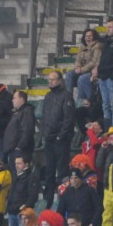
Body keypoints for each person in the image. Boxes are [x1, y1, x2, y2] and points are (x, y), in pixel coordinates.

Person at [41, 70, 76, 204]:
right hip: (49, 139)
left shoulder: (66, 96)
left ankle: (63, 199)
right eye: (49, 79)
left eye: (54, 79)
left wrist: (60, 137)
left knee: (62, 172)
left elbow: (68, 119)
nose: (51, 82)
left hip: (61, 140)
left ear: (60, 80)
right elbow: (44, 117)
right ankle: (47, 201)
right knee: (49, 172)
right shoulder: (48, 97)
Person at [65, 29, 103, 101]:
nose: (87, 38)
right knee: (69, 74)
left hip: (92, 72)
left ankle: (82, 101)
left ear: (94, 37)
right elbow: (78, 59)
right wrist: (77, 66)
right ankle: (68, 100)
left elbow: (94, 62)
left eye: (90, 36)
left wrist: (81, 70)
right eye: (86, 36)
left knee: (82, 78)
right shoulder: (82, 46)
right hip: (82, 70)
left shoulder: (98, 46)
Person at [2, 90, 36, 165]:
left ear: (22, 99)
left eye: (14, 98)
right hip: (14, 149)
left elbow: (27, 130)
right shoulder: (18, 112)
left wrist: (20, 146)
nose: (12, 100)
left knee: (18, 173)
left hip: (20, 151)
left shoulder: (26, 111)